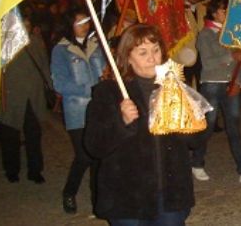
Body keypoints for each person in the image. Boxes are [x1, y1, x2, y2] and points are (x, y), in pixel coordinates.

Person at [84, 24, 201, 225]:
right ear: (128, 57)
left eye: (156, 50)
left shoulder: (174, 87)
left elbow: (196, 141)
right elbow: (94, 146)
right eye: (142, 52)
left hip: (169, 195)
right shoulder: (109, 91)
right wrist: (122, 122)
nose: (152, 58)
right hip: (129, 197)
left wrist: (184, 121)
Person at [190, 0, 241, 184]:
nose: (227, 13)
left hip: (231, 84)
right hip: (212, 85)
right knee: (208, 127)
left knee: (234, 129)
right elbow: (208, 63)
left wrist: (238, 82)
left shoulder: (233, 34)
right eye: (223, 10)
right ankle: (197, 163)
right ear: (214, 13)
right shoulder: (205, 34)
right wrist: (230, 55)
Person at [50, 9, 107, 214]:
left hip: (99, 110)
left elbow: (106, 71)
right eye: (80, 21)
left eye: (87, 20)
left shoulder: (97, 45)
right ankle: (69, 192)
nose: (85, 24)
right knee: (84, 156)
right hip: (77, 111)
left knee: (99, 155)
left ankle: (98, 199)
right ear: (70, 24)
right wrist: (88, 89)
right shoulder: (61, 50)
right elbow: (60, 83)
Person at [0, 18, 51, 184]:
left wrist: (49, 85)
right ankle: (12, 169)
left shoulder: (35, 42)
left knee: (33, 136)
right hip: (11, 97)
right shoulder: (3, 43)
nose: (25, 28)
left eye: (27, 25)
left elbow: (43, 65)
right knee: (10, 136)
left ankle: (35, 170)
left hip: (33, 98)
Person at [176, 0, 206, 88]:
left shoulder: (202, 9)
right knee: (186, 86)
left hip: (202, 54)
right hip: (185, 53)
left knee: (200, 86)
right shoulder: (178, 9)